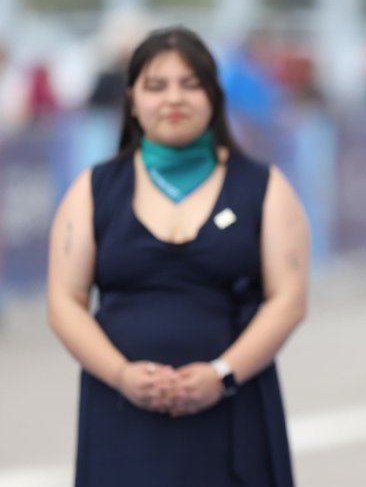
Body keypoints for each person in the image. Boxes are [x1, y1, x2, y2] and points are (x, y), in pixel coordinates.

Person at [45, 25, 309, 486]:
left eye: (191, 84)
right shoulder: (93, 190)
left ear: (214, 96)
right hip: (120, 416)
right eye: (156, 85)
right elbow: (64, 301)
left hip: (234, 415)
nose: (174, 98)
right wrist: (123, 375)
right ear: (131, 98)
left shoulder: (263, 187)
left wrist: (222, 375)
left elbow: (288, 298)